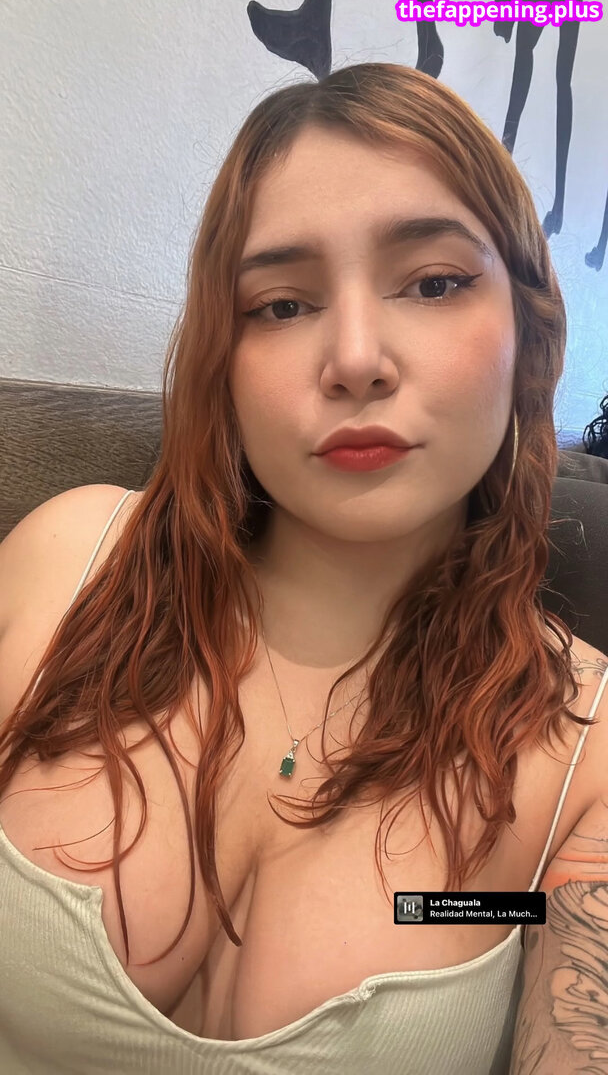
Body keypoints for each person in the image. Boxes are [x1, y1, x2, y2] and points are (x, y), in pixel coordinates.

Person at [0, 61, 607, 1075]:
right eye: (281, 305)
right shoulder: (67, 566)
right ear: (221, 359)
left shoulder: (585, 753)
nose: (355, 358)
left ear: (530, 336)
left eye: (433, 282)